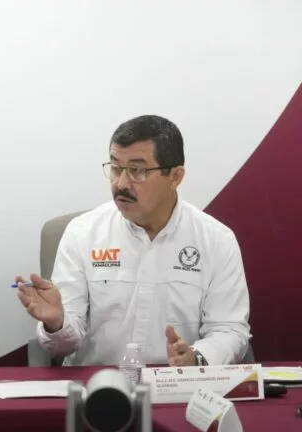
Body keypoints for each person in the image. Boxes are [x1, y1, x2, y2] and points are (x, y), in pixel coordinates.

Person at [17, 115, 250, 366]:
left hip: (178, 383)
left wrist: (196, 359)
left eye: (137, 171)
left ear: (175, 176)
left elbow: (229, 330)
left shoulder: (216, 240)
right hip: (97, 383)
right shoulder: (82, 233)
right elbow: (62, 347)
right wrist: (57, 323)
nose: (121, 183)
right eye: (116, 168)